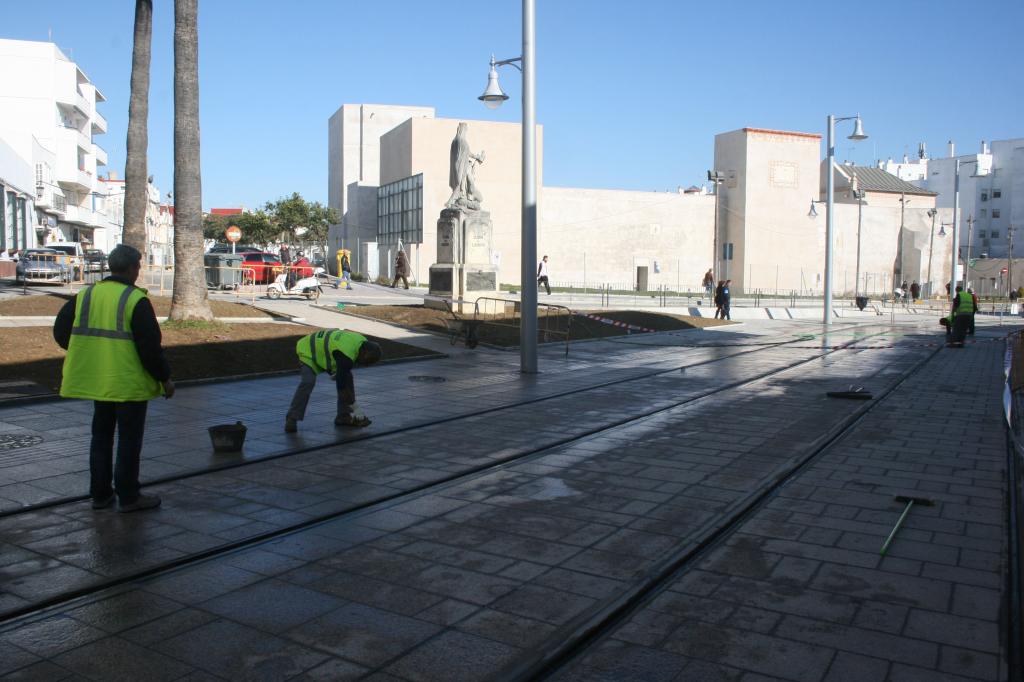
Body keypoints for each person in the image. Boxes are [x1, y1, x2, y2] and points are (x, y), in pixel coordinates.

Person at [52, 244, 173, 512]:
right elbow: (150, 348)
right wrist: (165, 378)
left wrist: (89, 353)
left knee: (101, 436)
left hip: (96, 381)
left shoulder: (86, 295)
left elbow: (61, 332)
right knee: (129, 440)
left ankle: (100, 494)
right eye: (139, 266)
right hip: (128, 384)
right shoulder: (135, 300)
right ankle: (129, 495)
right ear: (132, 268)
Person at [285, 329, 382, 433]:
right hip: (309, 351)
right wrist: (357, 411)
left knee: (347, 377)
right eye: (366, 362)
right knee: (308, 382)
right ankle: (292, 418)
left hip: (327, 353)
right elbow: (341, 387)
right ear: (363, 353)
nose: (364, 365)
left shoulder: (361, 342)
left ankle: (343, 416)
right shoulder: (346, 354)